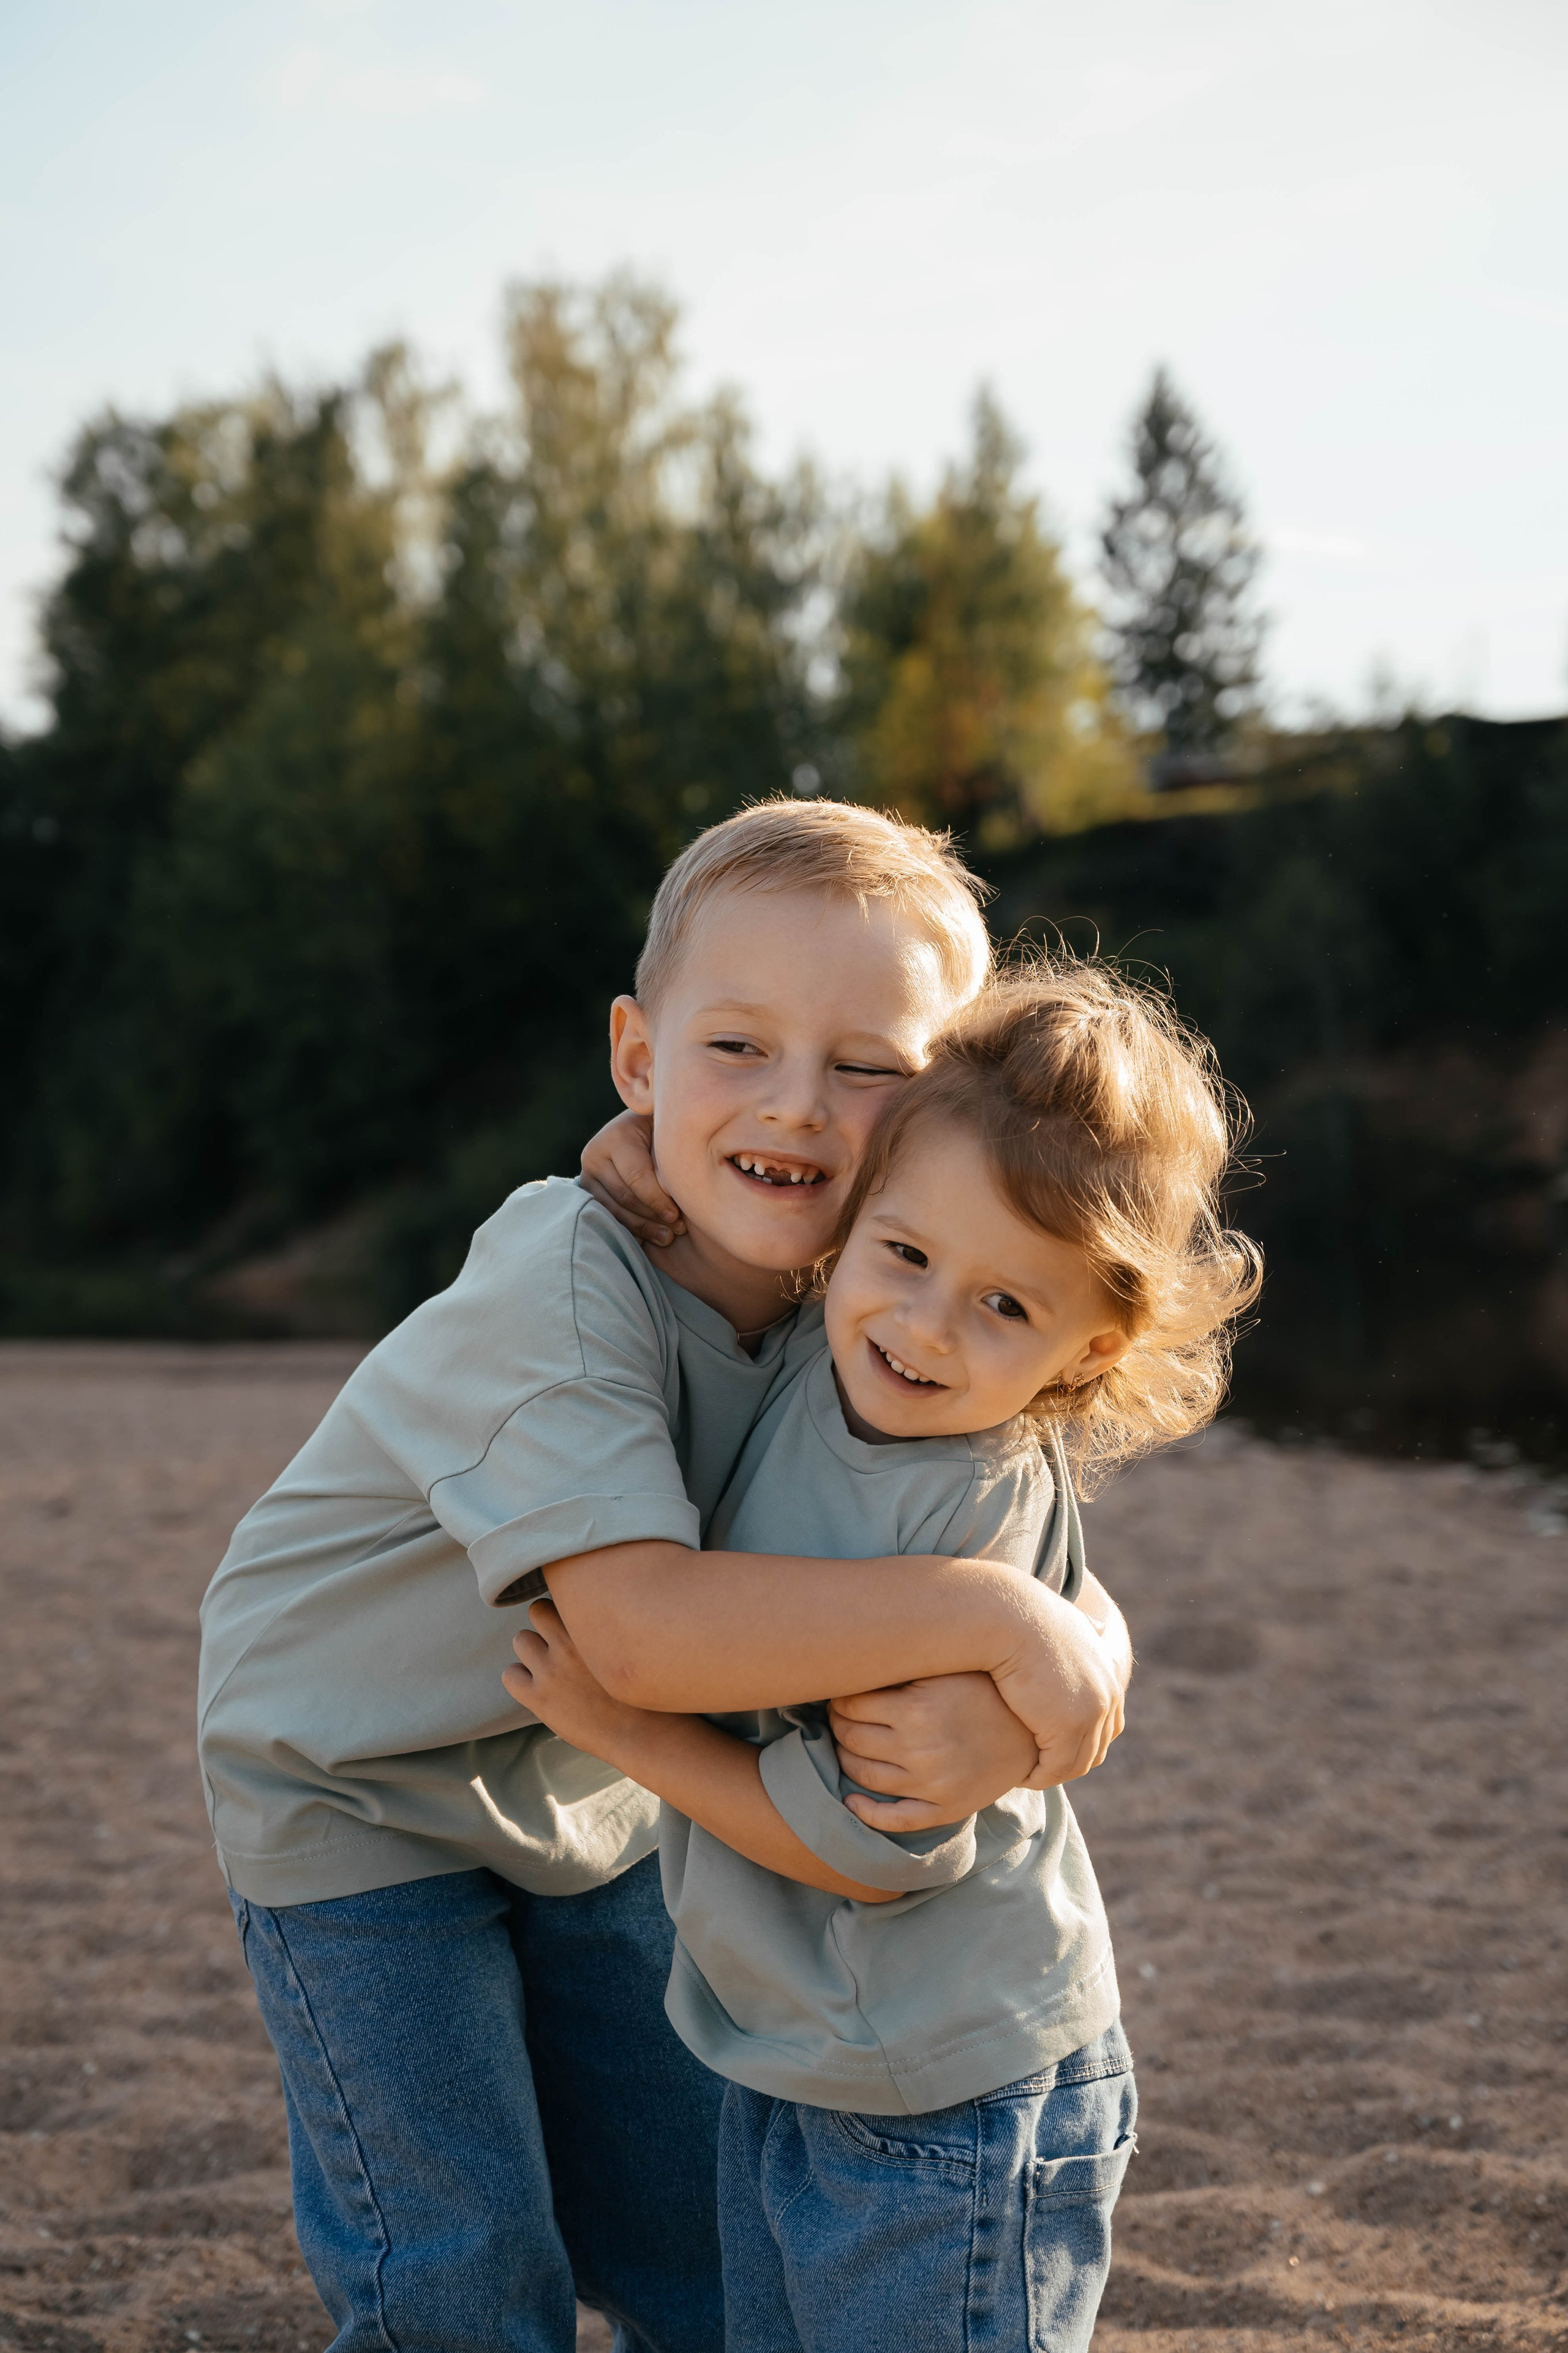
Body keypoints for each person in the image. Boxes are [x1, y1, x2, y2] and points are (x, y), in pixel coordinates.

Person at [197, 799, 1134, 2353]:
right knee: (460, 2260)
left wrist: (1080, 1656)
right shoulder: (562, 1278)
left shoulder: (877, 1300)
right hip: (349, 1783)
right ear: (637, 1059)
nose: (798, 1104)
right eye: (736, 1049)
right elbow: (636, 1634)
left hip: (597, 1787)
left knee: (691, 2242)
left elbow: (997, 1528)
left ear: (940, 1110)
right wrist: (994, 1627)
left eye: (866, 1066)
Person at [507, 959, 1262, 2353]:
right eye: (904, 1256)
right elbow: (721, 1192)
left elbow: (864, 1839)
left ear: (1084, 1347)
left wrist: (630, 1736)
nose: (922, 1325)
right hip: (793, 2046)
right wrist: (633, 1152)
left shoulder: (970, 1504)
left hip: (950, 2087)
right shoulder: (823, 1338)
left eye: (1002, 1308)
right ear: (855, 1224)